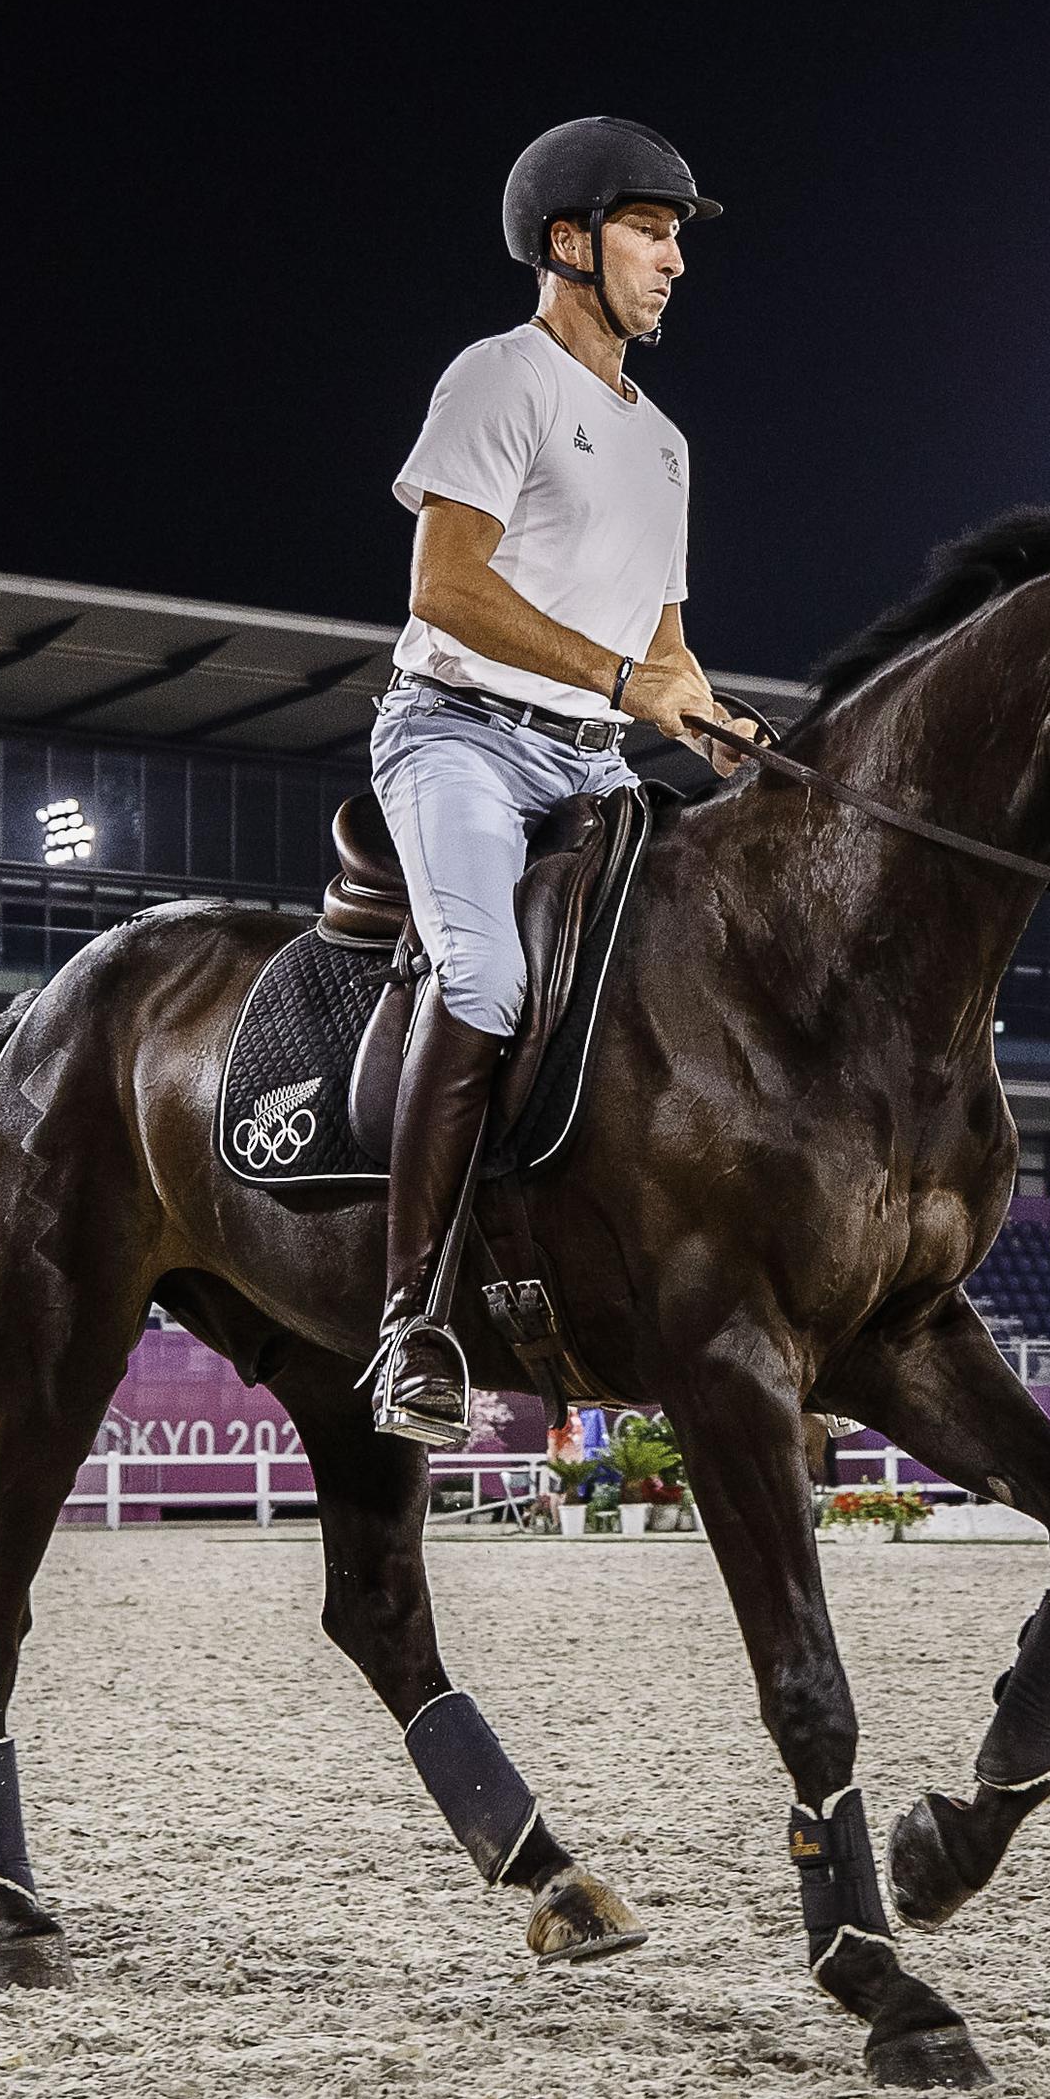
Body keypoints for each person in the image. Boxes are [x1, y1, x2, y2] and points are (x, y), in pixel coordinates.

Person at [364, 116, 751, 1445]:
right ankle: (409, 1319)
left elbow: (666, 652)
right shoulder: (499, 377)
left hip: (593, 762)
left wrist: (703, 719)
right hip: (457, 737)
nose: (674, 262)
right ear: (570, 242)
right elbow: (445, 587)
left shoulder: (667, 446)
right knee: (484, 978)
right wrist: (624, 681)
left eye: (679, 238)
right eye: (652, 232)